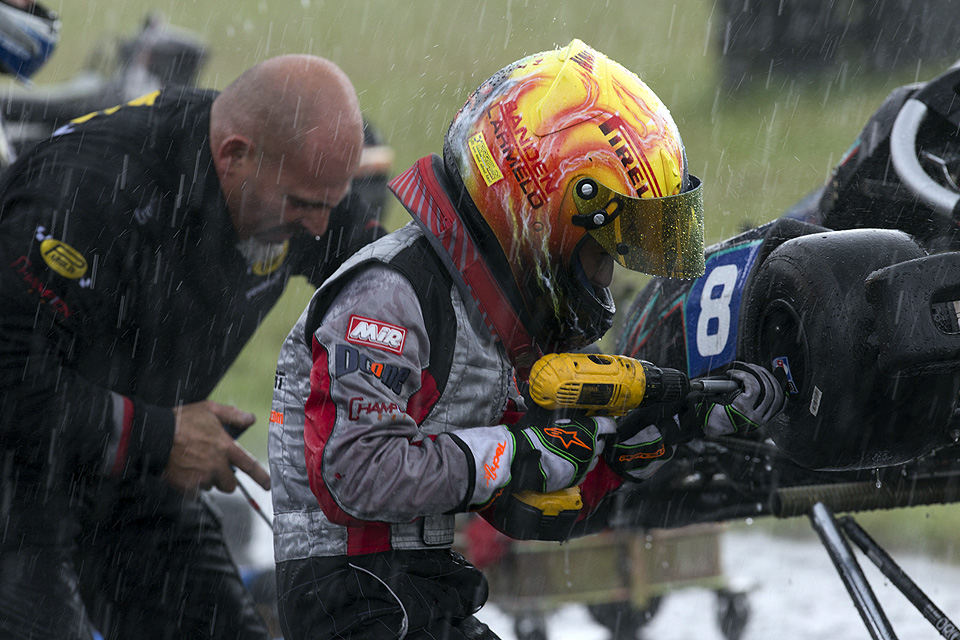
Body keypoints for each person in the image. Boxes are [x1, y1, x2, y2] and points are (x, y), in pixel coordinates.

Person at [269, 39, 786, 640]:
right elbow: (356, 472)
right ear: (539, 212)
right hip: (353, 599)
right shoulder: (390, 295)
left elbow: (525, 512)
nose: (607, 277)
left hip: (418, 591)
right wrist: (513, 453)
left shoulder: (485, 317)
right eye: (602, 253)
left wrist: (650, 441)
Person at [0, 53, 384, 639]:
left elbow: (385, 280)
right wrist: (157, 434)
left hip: (125, 474)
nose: (316, 228)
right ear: (234, 156)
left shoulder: (292, 183)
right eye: (304, 206)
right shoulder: (90, 191)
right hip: (18, 480)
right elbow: (7, 379)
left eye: (329, 206)